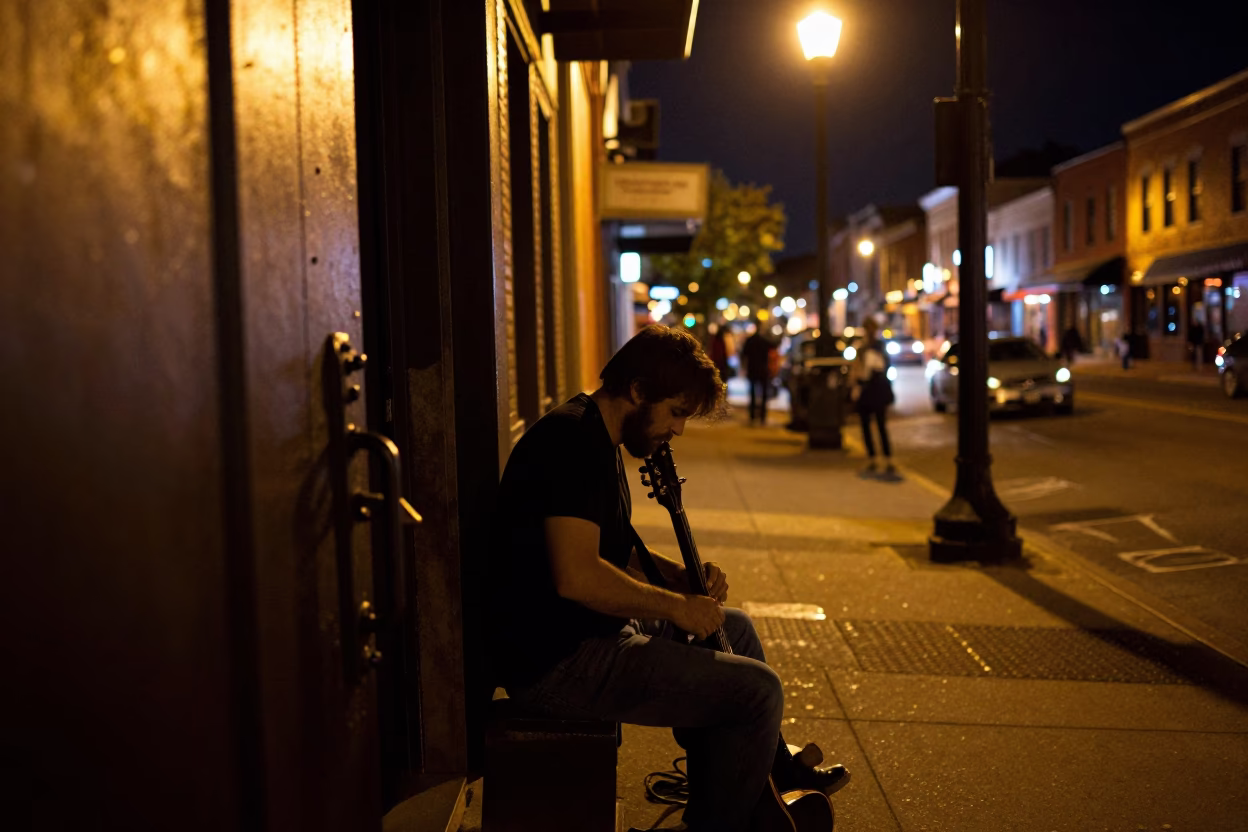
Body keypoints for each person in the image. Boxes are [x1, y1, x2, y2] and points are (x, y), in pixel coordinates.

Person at [490, 325, 849, 832]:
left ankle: (753, 784)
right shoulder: (571, 443)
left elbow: (610, 553)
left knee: (736, 628)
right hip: (558, 662)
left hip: (587, 635)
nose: (678, 429)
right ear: (637, 390)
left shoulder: (598, 436)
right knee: (758, 691)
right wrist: (676, 608)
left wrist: (681, 579)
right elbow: (576, 576)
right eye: (676, 411)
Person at [852, 318, 895, 477]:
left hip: (873, 389)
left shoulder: (873, 347)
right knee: (872, 426)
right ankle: (876, 457)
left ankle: (882, 458)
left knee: (878, 425)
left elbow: (882, 367)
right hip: (872, 390)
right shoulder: (866, 348)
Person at [741, 324, 774, 426]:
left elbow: (743, 355)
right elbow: (773, 349)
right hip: (763, 369)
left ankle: (752, 416)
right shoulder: (764, 341)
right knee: (763, 393)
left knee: (752, 392)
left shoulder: (750, 340)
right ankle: (762, 416)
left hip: (752, 369)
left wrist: (744, 368)